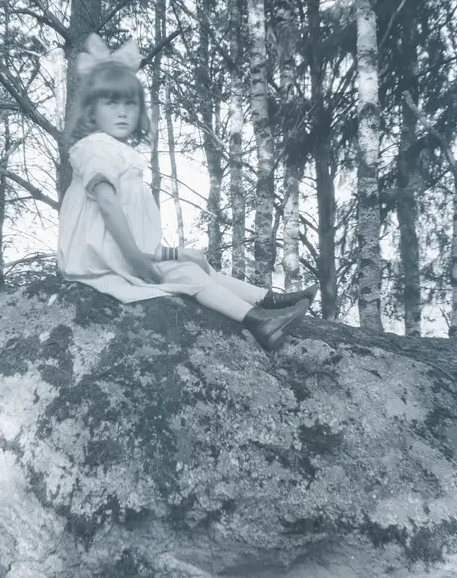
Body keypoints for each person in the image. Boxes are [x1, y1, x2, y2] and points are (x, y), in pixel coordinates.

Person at [57, 34, 318, 352]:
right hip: (104, 259)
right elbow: (108, 207)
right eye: (111, 103)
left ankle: (269, 300)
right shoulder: (95, 148)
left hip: (120, 252)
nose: (122, 112)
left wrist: (172, 252)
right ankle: (258, 320)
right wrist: (139, 259)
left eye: (130, 103)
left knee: (198, 263)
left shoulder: (118, 153)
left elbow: (133, 234)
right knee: (186, 273)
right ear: (92, 111)